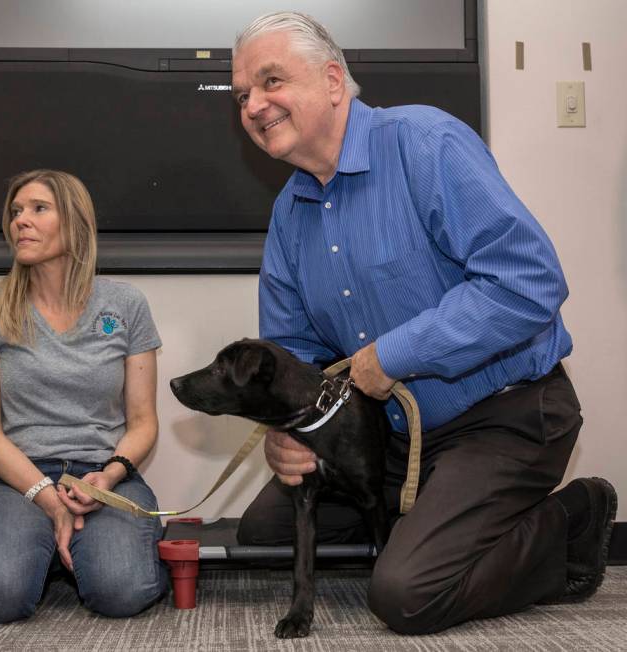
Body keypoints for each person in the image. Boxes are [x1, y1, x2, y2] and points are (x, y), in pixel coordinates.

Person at [231, 12, 617, 634]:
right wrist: (288, 430)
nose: (254, 104)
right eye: (243, 93)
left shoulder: (425, 142)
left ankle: (570, 522)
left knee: (407, 594)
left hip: (505, 414)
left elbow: (528, 282)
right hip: (394, 437)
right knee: (266, 531)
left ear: (333, 80)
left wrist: (397, 353)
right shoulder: (288, 214)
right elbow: (292, 357)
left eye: (272, 81)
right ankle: (436, 520)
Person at [0, 169, 167, 623]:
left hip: (102, 478)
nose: (20, 221)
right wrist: (47, 498)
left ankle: (56, 550)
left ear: (75, 223)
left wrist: (106, 479)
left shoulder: (126, 305)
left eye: (38, 209)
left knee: (123, 592)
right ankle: (40, 540)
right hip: (18, 480)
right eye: (15, 212)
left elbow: (143, 422)